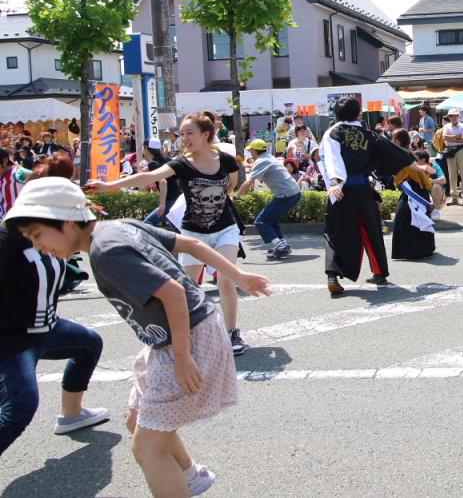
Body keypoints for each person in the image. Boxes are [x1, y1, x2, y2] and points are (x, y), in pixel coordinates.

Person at [6, 176, 271, 496]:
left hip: (187, 337)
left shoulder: (106, 251)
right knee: (138, 422)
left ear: (67, 221)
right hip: (176, 337)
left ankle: (185, 480)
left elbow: (174, 294)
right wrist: (238, 274)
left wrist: (183, 357)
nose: (38, 245)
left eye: (37, 235)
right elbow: (192, 244)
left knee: (147, 447)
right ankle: (190, 476)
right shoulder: (118, 228)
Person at [86, 111, 250, 357]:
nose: (184, 138)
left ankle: (232, 333)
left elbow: (231, 184)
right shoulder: (181, 164)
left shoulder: (225, 160)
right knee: (187, 286)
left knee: (226, 278)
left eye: (189, 133)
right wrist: (109, 185)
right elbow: (149, 176)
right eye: (182, 134)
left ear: (206, 134)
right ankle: (188, 336)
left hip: (225, 227)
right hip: (194, 233)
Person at [1, 161, 108, 457]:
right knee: (20, 406)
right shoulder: (7, 239)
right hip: (12, 340)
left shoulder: (58, 233)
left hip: (48, 327)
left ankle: (72, 415)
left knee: (90, 344)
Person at [321, 97, 419, 294]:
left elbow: (332, 160)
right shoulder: (367, 133)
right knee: (371, 229)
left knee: (336, 233)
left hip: (341, 189)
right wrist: (415, 165)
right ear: (358, 113)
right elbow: (391, 151)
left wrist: (334, 183)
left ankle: (333, 276)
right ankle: (380, 272)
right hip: (364, 189)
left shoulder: (333, 132)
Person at [235, 139, 302, 260]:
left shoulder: (261, 161)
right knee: (271, 220)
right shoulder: (269, 157)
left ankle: (281, 247)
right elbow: (253, 166)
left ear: (255, 151)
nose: (250, 153)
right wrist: (243, 163)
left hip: (286, 195)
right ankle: (282, 245)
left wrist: (236, 197)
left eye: (251, 151)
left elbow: (249, 182)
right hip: (294, 192)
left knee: (260, 222)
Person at [390, 130, 436, 261]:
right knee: (415, 218)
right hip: (417, 189)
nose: (392, 141)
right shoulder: (407, 153)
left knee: (409, 218)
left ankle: (415, 251)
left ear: (398, 140)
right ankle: (424, 249)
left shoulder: (402, 155)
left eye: (393, 139)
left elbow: (404, 174)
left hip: (412, 189)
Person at [142, 139, 180, 230]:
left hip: (169, 201)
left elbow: (163, 181)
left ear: (146, 148)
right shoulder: (167, 160)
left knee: (147, 224)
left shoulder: (152, 164)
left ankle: (153, 243)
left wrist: (162, 204)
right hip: (178, 198)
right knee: (177, 228)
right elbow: (176, 177)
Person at [442, 109, 463, 206]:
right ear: (449, 117)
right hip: (450, 151)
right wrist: (456, 137)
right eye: (451, 116)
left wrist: (451, 138)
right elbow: (445, 138)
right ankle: (454, 197)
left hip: (461, 150)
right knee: (452, 175)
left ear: (458, 116)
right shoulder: (446, 126)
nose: (453, 118)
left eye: (455, 116)